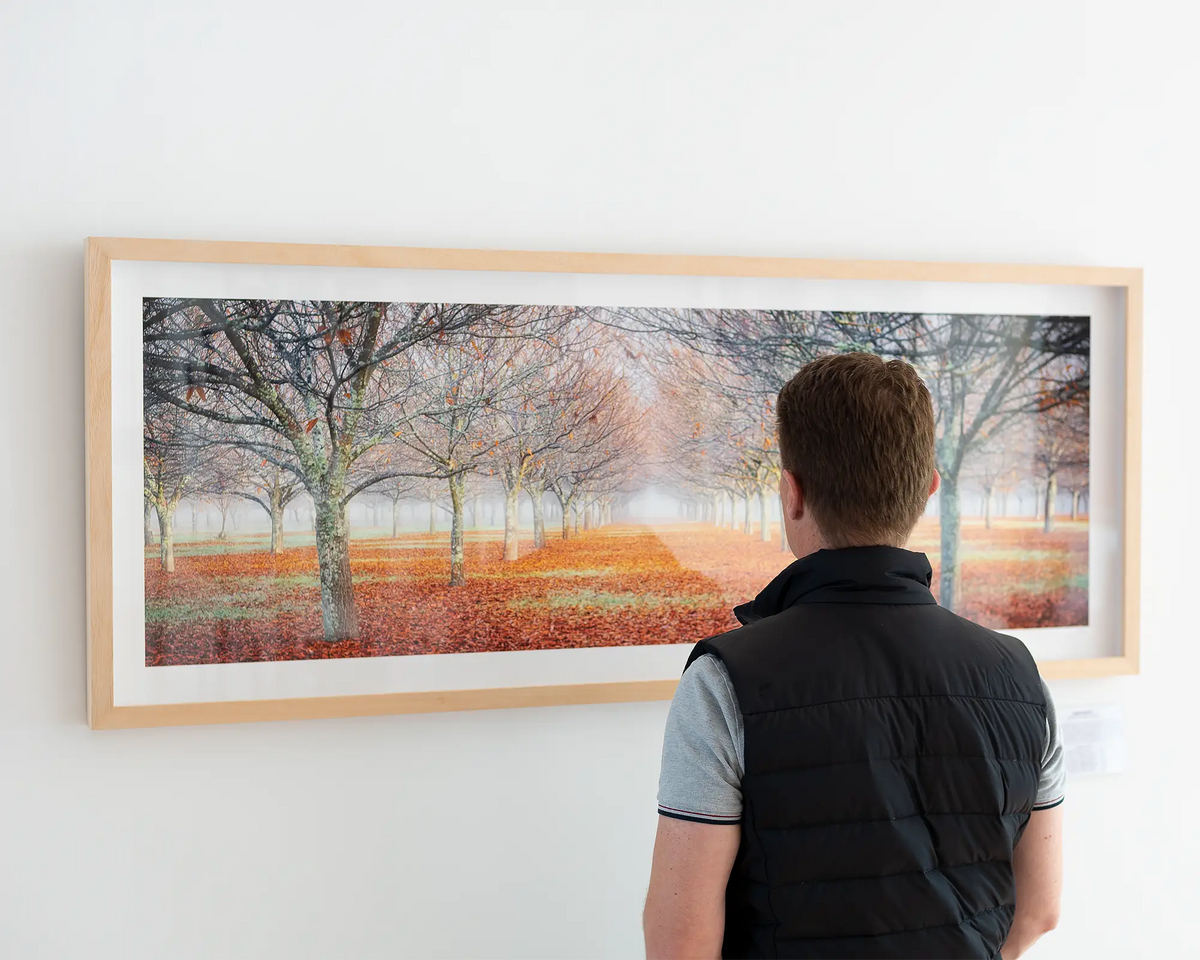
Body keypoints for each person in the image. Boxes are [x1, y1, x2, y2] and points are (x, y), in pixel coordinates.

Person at [643, 353, 1065, 960]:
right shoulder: (1019, 675)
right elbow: (1040, 911)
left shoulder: (724, 683)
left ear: (791, 493)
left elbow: (680, 943)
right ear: (927, 490)